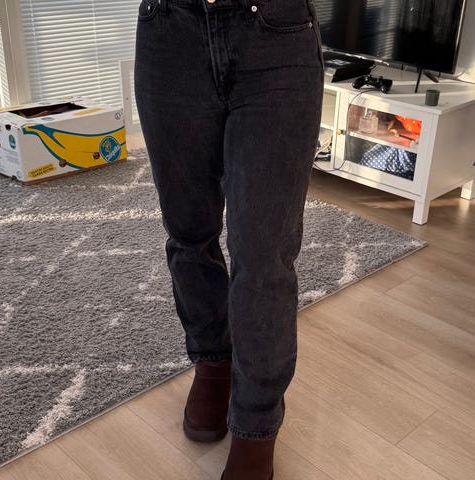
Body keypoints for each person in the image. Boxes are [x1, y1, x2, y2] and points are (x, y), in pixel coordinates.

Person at [134, 0, 324, 477]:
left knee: (263, 253)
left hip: (277, 35)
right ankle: (213, 361)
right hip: (169, 30)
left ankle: (256, 422)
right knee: (188, 232)